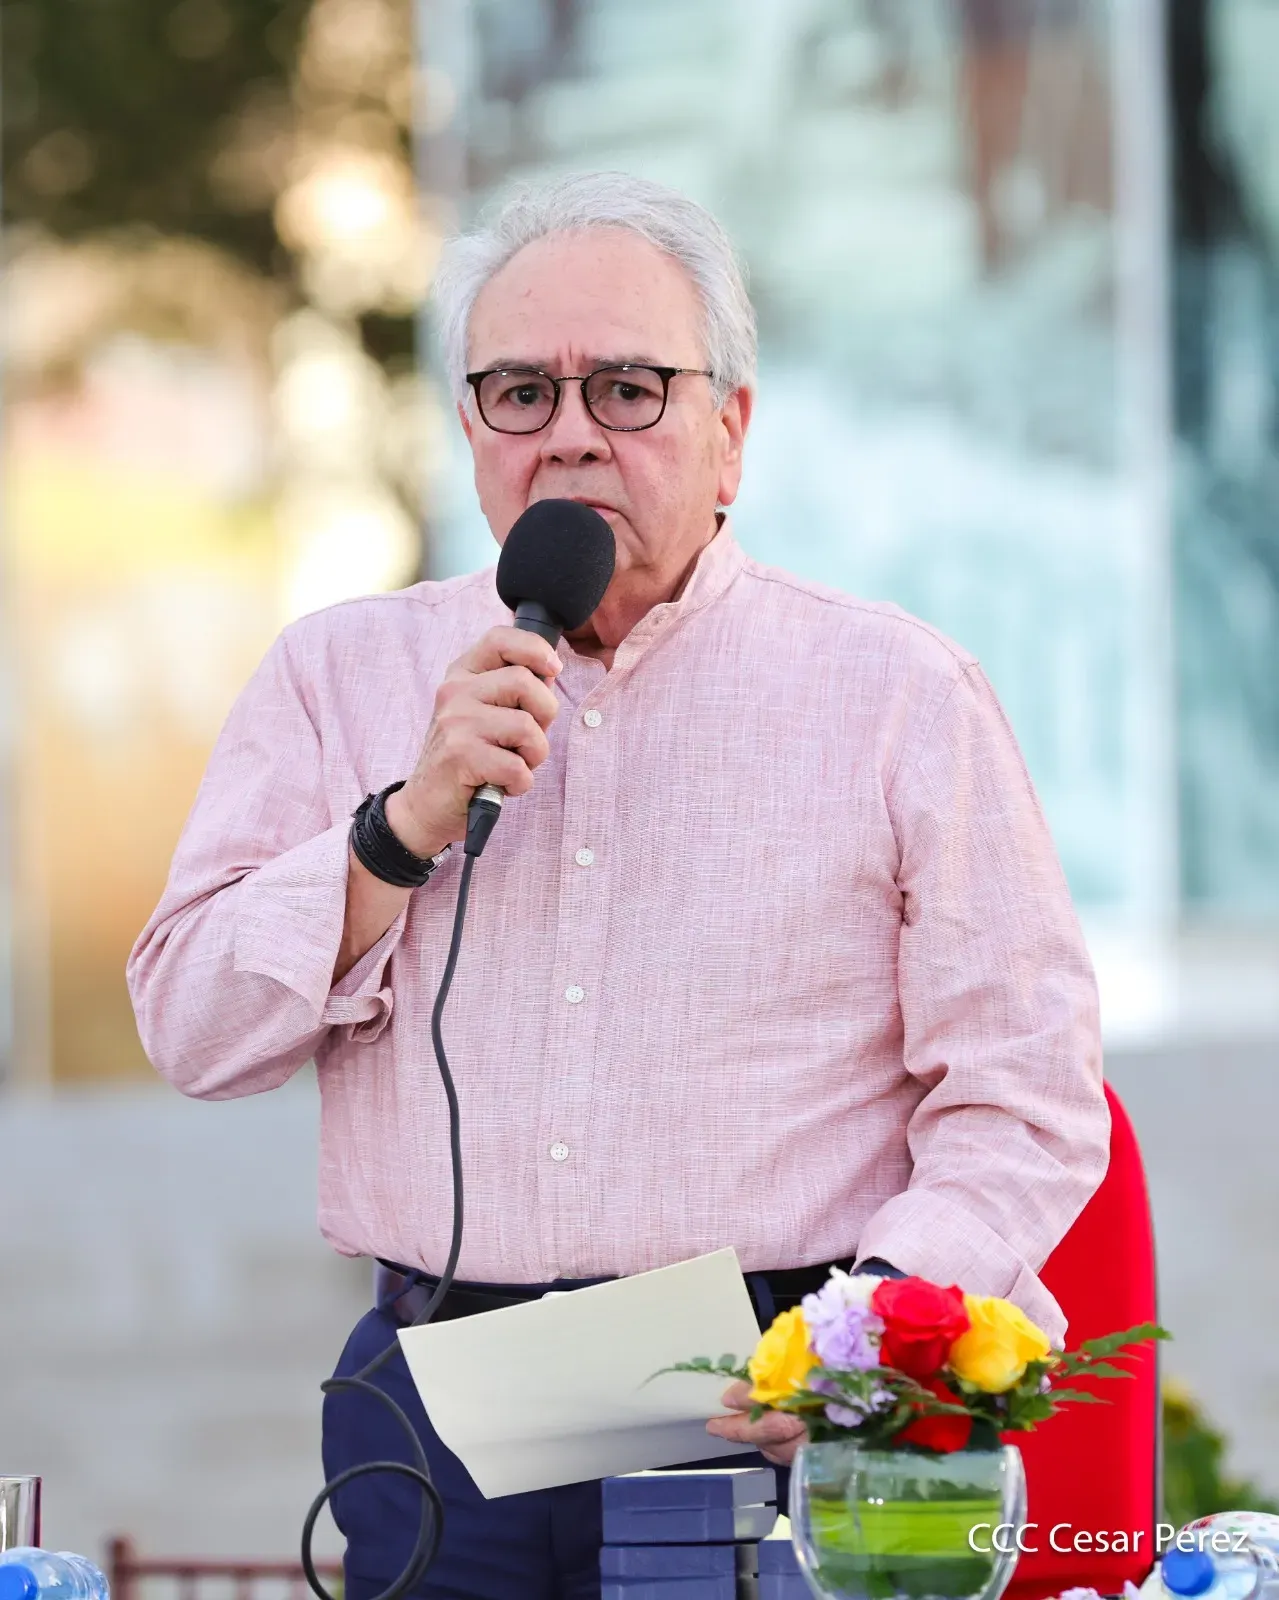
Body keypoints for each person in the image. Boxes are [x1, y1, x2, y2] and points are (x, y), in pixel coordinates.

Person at [127, 172, 1109, 1599]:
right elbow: (192, 1032)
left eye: (629, 389)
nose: (570, 433)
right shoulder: (339, 676)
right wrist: (396, 830)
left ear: (731, 433)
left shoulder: (898, 695)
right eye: (520, 391)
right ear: (470, 432)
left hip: (777, 1404)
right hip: (446, 1411)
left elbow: (1022, 1092)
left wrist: (860, 1348)